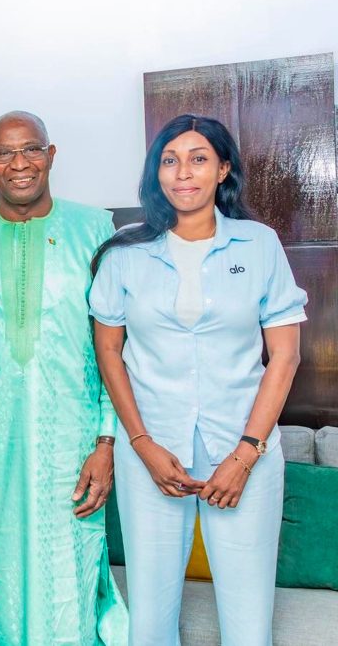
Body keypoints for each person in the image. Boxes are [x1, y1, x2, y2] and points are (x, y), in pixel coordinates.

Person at [89, 114, 306, 645]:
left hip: (244, 450)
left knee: (249, 623)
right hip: (152, 453)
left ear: (223, 169)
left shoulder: (259, 244)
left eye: (198, 158)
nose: (183, 172)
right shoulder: (125, 252)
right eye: (170, 160)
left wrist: (245, 454)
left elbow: (285, 357)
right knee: (150, 620)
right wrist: (141, 443)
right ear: (156, 172)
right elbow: (109, 353)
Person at [0, 111, 129, 644]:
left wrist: (106, 441)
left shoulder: (95, 229)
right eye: (4, 153)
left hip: (72, 447)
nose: (19, 163)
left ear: (51, 154)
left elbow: (113, 347)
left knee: (71, 581)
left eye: (31, 149)